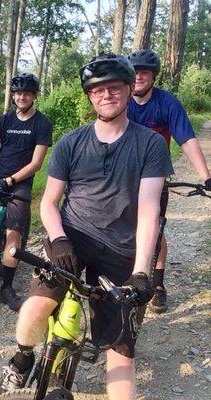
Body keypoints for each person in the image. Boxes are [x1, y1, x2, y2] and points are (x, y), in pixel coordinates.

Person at [0, 53, 173, 399]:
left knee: (120, 355)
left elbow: (150, 211)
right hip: (71, 239)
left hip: (121, 251)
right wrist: (58, 238)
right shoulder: (71, 142)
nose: (106, 95)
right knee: (36, 305)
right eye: (97, 91)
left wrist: (142, 273)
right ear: (90, 97)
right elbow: (48, 202)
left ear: (127, 89)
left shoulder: (150, 144)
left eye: (114, 88)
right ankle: (22, 357)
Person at [127, 49, 211, 313]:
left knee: (155, 228)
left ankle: (159, 284)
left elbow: (186, 139)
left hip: (154, 175)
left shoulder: (167, 103)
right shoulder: (120, 100)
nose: (139, 77)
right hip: (122, 175)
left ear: (153, 77)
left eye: (145, 72)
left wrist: (206, 175)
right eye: (135, 72)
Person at [0, 73, 53, 311]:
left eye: (26, 93)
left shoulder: (42, 124)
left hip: (19, 183)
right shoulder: (3, 121)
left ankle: (6, 288)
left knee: (13, 233)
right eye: (18, 93)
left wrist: (10, 180)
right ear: (13, 96)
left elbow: (36, 163)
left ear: (34, 96)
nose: (22, 97)